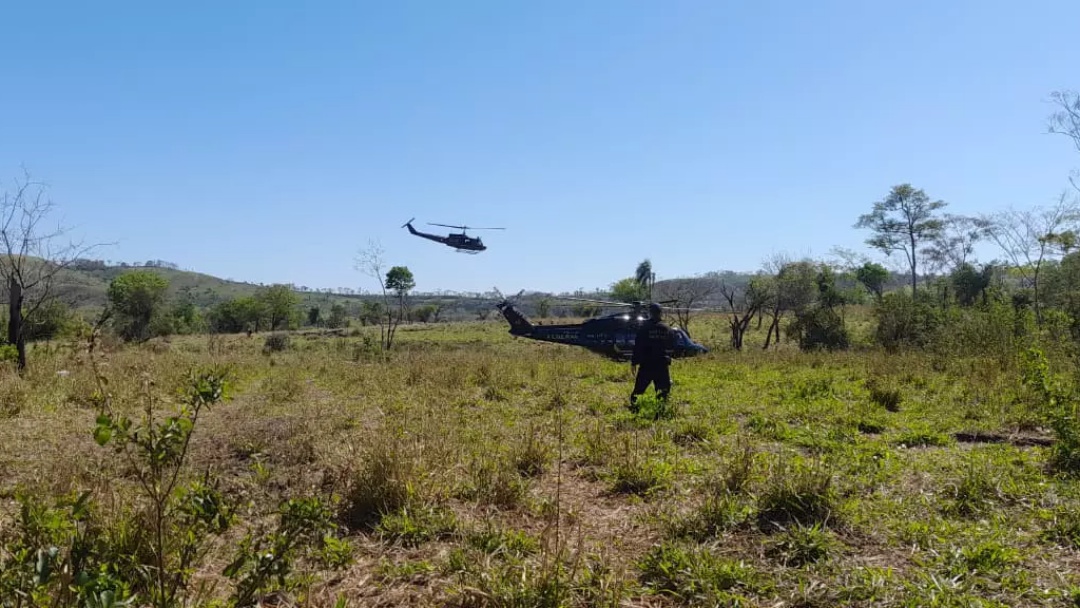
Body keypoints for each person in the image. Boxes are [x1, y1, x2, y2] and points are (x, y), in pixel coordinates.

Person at [629, 302, 676, 411]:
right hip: (661, 364)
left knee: (638, 390)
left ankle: (635, 410)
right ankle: (660, 412)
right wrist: (668, 358)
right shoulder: (667, 328)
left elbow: (638, 346)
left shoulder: (644, 328)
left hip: (647, 364)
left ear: (650, 313)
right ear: (660, 313)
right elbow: (672, 346)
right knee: (663, 392)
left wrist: (634, 362)